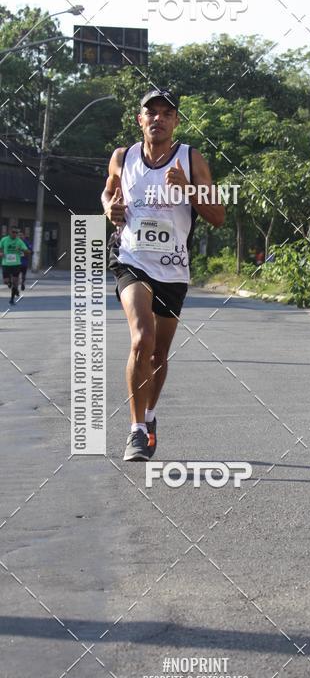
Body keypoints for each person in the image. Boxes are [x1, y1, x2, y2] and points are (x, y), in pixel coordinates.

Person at [101, 89, 225, 462]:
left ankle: (150, 414)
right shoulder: (123, 157)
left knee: (159, 353)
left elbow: (218, 216)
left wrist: (188, 189)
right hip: (131, 259)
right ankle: (136, 430)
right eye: (151, 112)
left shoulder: (191, 159)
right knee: (142, 339)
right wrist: (110, 209)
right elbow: (108, 193)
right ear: (139, 119)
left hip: (173, 267)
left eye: (166, 113)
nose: (158, 119)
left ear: (176, 121)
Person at [0, 225, 30, 304]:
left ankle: (12, 299)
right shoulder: (4, 240)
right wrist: (1, 253)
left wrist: (24, 250)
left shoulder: (19, 241)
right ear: (9, 232)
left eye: (16, 232)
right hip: (6, 264)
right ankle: (10, 283)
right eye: (13, 232)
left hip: (16, 264)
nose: (15, 234)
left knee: (15, 282)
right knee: (6, 281)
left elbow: (27, 251)